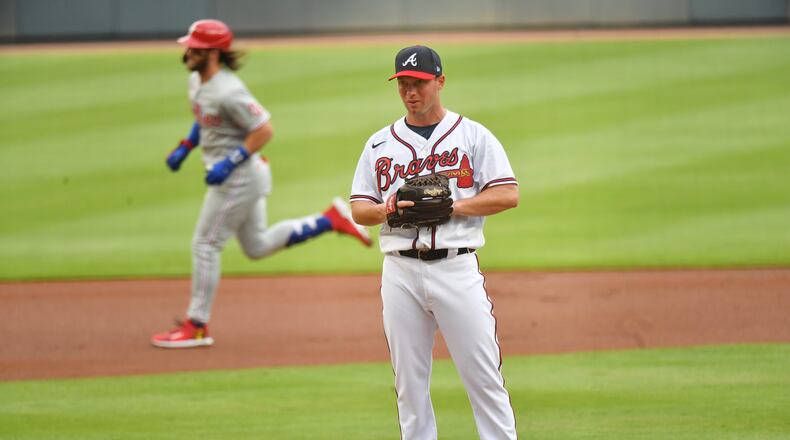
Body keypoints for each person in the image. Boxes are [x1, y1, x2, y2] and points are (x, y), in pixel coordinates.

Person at [152, 19, 372, 349]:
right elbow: (204, 120)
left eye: (194, 47)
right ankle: (329, 220)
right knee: (256, 246)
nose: (188, 51)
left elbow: (264, 129)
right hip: (244, 176)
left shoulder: (229, 90)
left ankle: (196, 325)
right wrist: (186, 146)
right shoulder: (197, 82)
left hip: (239, 178)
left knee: (205, 244)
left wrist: (230, 161)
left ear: (212, 52)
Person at [349, 45, 519, 438]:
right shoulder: (379, 145)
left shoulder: (474, 136)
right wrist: (388, 209)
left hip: (456, 268)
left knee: (485, 380)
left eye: (420, 83)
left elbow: (508, 194)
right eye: (404, 84)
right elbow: (360, 207)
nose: (412, 92)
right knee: (409, 390)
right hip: (400, 272)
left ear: (440, 82)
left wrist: (453, 207)